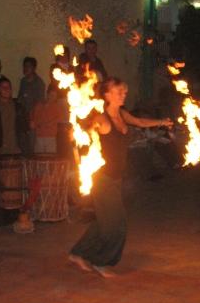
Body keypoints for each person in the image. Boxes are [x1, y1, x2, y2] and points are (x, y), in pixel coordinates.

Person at [68, 76, 173, 278]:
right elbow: (87, 132)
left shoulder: (123, 115)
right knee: (118, 224)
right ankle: (100, 261)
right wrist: (78, 133)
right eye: (119, 92)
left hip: (117, 178)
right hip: (102, 179)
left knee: (105, 220)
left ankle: (78, 253)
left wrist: (161, 121)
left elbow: (140, 121)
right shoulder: (101, 118)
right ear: (107, 95)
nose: (124, 94)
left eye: (124, 91)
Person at [17, 57, 46, 154]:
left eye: (29, 66)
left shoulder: (38, 82)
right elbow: (20, 98)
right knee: (23, 141)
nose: (26, 68)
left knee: (32, 142)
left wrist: (34, 118)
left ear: (34, 68)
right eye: (24, 66)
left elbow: (40, 102)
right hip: (23, 116)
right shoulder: (23, 81)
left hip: (33, 116)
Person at [31, 84, 66, 153]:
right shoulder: (39, 106)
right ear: (47, 94)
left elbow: (62, 116)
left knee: (50, 158)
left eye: (55, 96)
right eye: (51, 94)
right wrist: (37, 125)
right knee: (39, 157)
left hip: (51, 137)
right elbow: (33, 118)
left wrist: (52, 122)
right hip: (39, 136)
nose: (52, 97)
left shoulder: (56, 107)